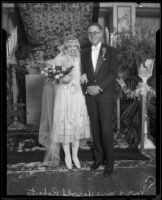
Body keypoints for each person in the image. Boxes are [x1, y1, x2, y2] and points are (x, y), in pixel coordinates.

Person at [39, 37, 91, 170]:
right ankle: (67, 155)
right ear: (65, 48)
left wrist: (85, 76)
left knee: (76, 126)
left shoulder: (81, 60)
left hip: (77, 96)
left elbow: (86, 74)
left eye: (75, 46)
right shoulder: (60, 60)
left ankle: (75, 155)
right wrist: (62, 78)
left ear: (78, 48)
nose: (73, 49)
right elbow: (53, 77)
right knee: (65, 126)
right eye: (70, 47)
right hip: (64, 97)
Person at [81, 23, 118, 177]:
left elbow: (113, 73)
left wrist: (99, 87)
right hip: (90, 97)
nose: (93, 35)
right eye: (90, 33)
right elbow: (82, 73)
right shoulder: (84, 53)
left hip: (105, 96)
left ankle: (109, 164)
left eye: (95, 32)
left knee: (106, 130)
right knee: (95, 129)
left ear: (101, 33)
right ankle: (98, 159)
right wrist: (87, 87)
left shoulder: (111, 51)